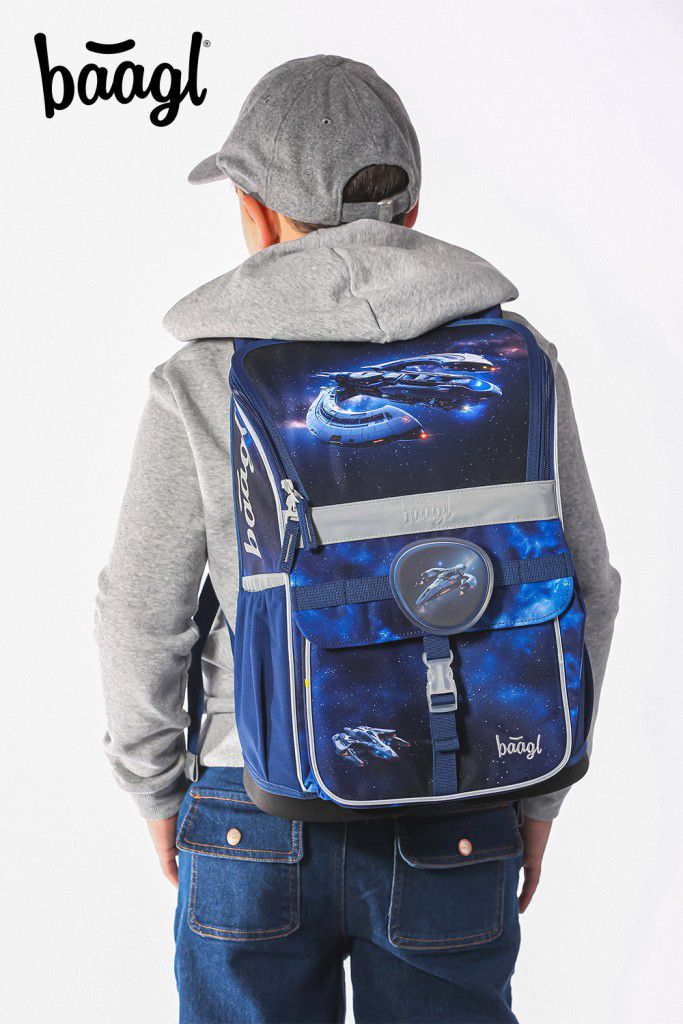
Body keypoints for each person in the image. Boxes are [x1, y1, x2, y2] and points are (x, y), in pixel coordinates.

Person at [96, 55, 620, 1024]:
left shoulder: (203, 375)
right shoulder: (515, 360)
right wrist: (538, 792)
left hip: (251, 797)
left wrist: (155, 788)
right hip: (463, 789)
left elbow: (139, 612)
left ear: (255, 215)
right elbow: (587, 585)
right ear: (410, 210)